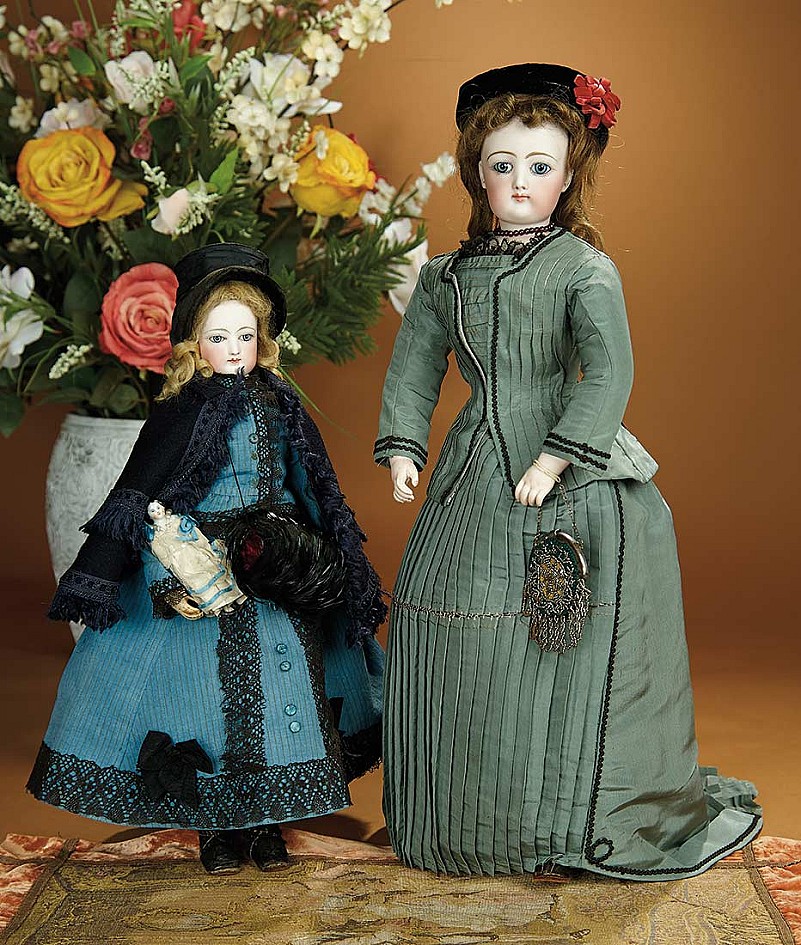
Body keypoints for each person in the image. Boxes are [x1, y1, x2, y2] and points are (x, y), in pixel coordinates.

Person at [374, 63, 761, 880]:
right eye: (502, 164)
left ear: (567, 177)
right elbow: (414, 368)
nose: (519, 181)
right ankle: (455, 821)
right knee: (447, 626)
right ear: (476, 173)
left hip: (572, 475)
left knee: (557, 646)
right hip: (472, 468)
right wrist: (404, 446)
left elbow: (607, 373)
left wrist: (553, 456)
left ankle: (550, 824)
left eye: (539, 166)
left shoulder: (584, 268)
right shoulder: (444, 276)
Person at [29, 243, 385, 874]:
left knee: (282, 695)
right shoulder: (182, 411)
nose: (234, 349)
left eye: (245, 336)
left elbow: (314, 485)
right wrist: (163, 573)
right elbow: (144, 496)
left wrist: (325, 555)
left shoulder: (280, 403)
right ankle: (217, 829)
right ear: (194, 342)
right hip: (201, 565)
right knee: (203, 705)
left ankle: (268, 823)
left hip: (273, 567)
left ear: (263, 339)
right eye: (219, 337)